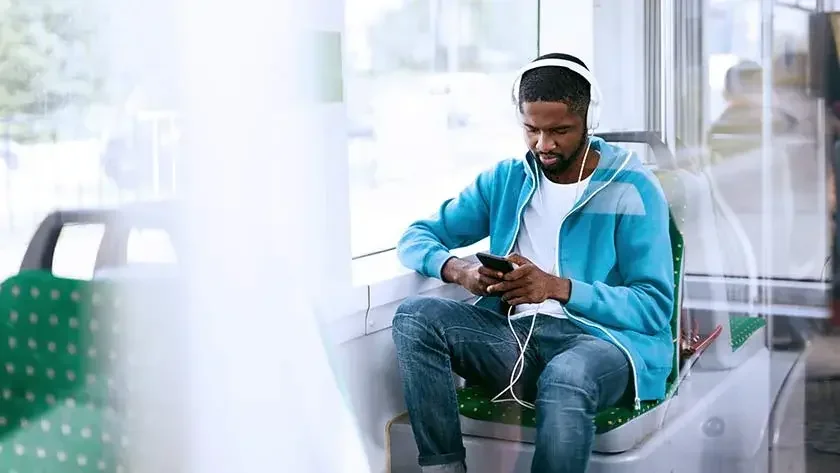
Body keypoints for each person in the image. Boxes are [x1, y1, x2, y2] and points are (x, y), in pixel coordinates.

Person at [391, 52, 675, 473]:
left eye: (560, 131)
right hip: (516, 337)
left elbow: (653, 307)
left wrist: (558, 287)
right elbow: (415, 237)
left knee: (567, 377)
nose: (544, 144)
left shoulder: (633, 188)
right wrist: (461, 271)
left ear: (588, 121)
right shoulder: (505, 179)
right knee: (414, 317)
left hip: (607, 344)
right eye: (532, 129)